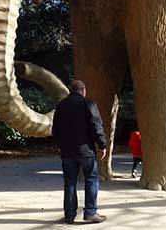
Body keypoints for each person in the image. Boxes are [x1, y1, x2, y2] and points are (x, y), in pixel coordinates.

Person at [52, 80, 107, 224]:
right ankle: (90, 212)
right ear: (83, 91)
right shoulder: (88, 103)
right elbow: (96, 125)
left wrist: (59, 145)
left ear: (71, 91)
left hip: (67, 151)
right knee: (91, 179)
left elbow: (55, 129)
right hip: (86, 151)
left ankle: (69, 215)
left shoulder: (61, 106)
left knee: (69, 182)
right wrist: (102, 145)